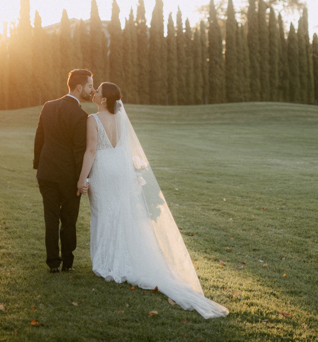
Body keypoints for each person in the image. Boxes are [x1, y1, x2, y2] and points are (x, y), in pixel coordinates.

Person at [77, 82, 228, 319]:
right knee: (122, 212)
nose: (94, 93)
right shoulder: (122, 119)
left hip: (104, 171)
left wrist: (82, 179)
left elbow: (91, 151)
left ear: (104, 100)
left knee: (104, 213)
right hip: (122, 170)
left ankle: (106, 262)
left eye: (97, 92)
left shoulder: (93, 119)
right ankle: (121, 257)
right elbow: (126, 149)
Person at [34, 68, 94, 273]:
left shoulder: (48, 106)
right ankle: (68, 262)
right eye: (89, 86)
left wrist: (38, 167)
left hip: (46, 173)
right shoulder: (81, 115)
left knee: (50, 219)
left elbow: (39, 139)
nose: (92, 91)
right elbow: (80, 151)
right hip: (69, 177)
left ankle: (53, 263)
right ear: (79, 87)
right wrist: (82, 179)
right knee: (69, 220)